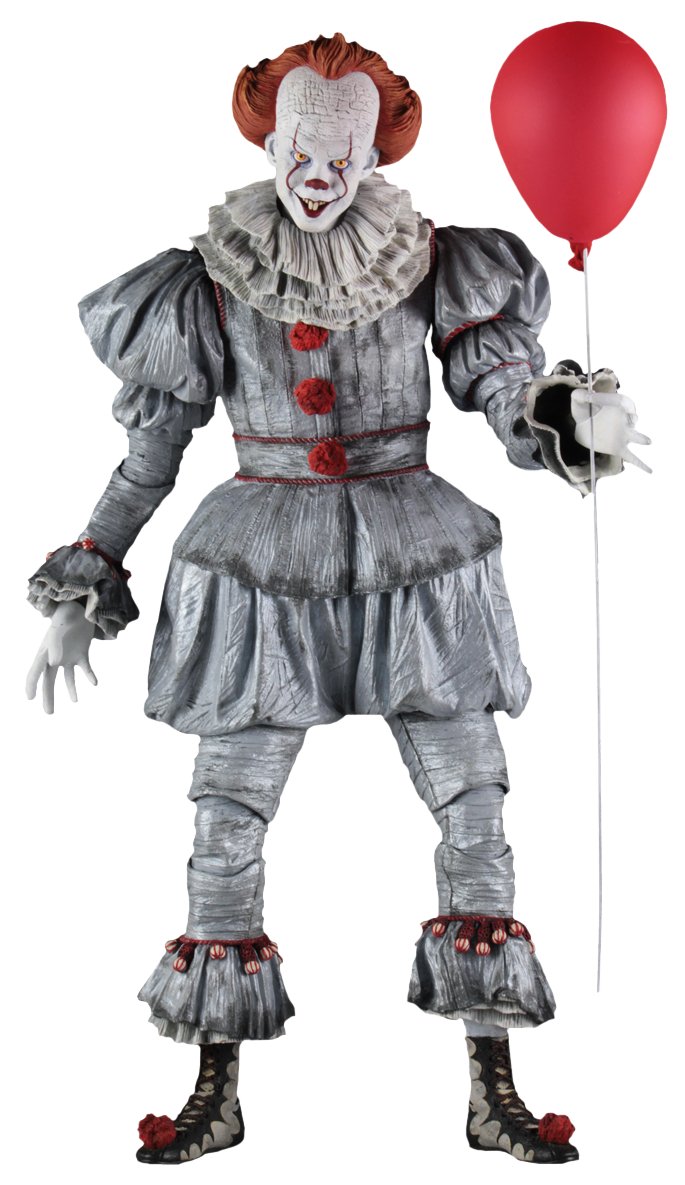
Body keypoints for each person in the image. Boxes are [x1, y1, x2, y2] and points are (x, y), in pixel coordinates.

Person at [26, 32, 648, 1166]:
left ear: (375, 152)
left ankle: (492, 1086)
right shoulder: (205, 281)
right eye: (300, 150)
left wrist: (563, 418)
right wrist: (86, 572)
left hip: (417, 560)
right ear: (266, 144)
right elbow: (151, 453)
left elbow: (501, 390)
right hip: (262, 568)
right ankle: (215, 1086)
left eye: (343, 152)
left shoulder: (434, 262)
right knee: (225, 820)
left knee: (475, 810)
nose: (319, 174)